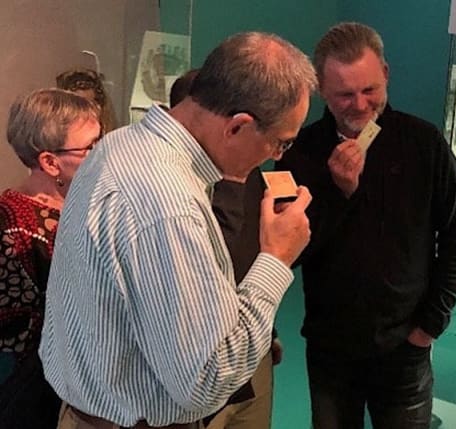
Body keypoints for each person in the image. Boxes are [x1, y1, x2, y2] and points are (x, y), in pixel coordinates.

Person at [39, 31, 317, 429]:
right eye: (280, 143)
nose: (276, 156)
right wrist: (275, 259)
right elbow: (204, 382)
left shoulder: (119, 144)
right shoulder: (170, 206)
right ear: (237, 127)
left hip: (88, 411)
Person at [276, 22, 456, 429]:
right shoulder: (300, 151)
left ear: (385, 73)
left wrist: (431, 324)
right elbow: (286, 253)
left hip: (406, 347)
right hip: (331, 349)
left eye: (369, 90)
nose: (360, 105)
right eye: (345, 95)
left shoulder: (423, 142)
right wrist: (338, 193)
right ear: (321, 90)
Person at [170, 69, 282, 429]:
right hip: (200, 367)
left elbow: (253, 261)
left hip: (253, 353)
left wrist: (268, 334)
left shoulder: (256, 176)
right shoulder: (173, 189)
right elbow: (214, 271)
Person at [0, 88, 101, 429]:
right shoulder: (13, 227)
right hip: (37, 400)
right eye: (91, 147)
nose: (102, 154)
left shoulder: (81, 206)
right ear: (49, 162)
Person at [56, 67, 117, 133]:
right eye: (77, 105)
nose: (83, 113)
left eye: (89, 105)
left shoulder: (112, 140)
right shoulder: (51, 140)